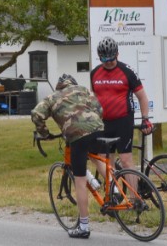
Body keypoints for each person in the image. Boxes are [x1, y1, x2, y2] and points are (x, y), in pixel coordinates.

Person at [31, 74, 104, 239]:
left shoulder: (52, 97)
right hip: (98, 129)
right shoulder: (84, 90)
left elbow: (36, 113)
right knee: (97, 158)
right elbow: (100, 109)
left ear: (59, 86)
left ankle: (84, 226)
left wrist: (45, 133)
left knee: (79, 180)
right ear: (73, 84)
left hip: (77, 135)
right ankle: (114, 191)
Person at [89, 37, 152, 179]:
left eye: (111, 59)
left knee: (125, 160)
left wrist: (145, 119)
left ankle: (135, 199)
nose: (108, 63)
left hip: (123, 121)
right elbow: (94, 97)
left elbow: (142, 97)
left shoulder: (127, 71)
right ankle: (114, 195)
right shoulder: (94, 73)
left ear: (117, 54)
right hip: (103, 122)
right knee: (106, 160)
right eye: (104, 60)